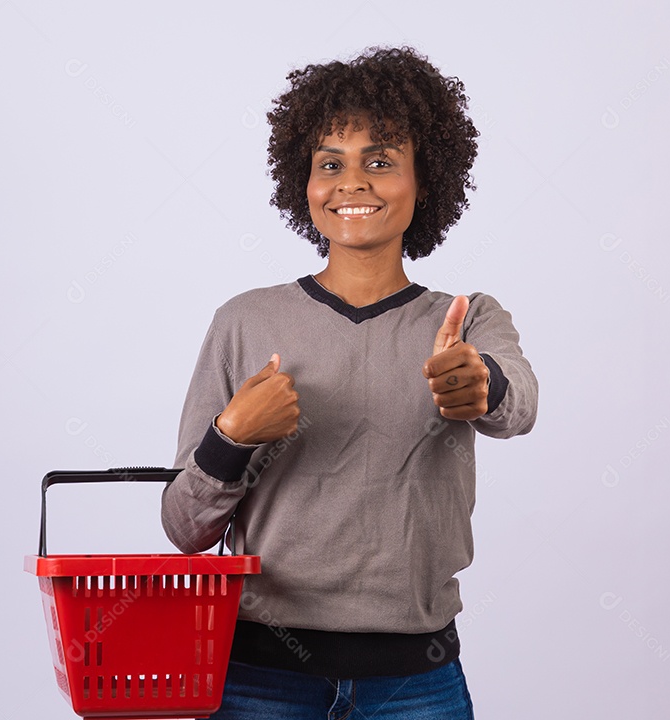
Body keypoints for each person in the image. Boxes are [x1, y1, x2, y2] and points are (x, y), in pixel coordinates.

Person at [162, 46, 538, 719]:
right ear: (302, 183)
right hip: (257, 681)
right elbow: (183, 527)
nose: (351, 182)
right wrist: (231, 437)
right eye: (330, 163)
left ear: (425, 182)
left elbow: (518, 408)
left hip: (414, 685)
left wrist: (480, 384)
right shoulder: (245, 321)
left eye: (381, 161)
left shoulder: (467, 319)